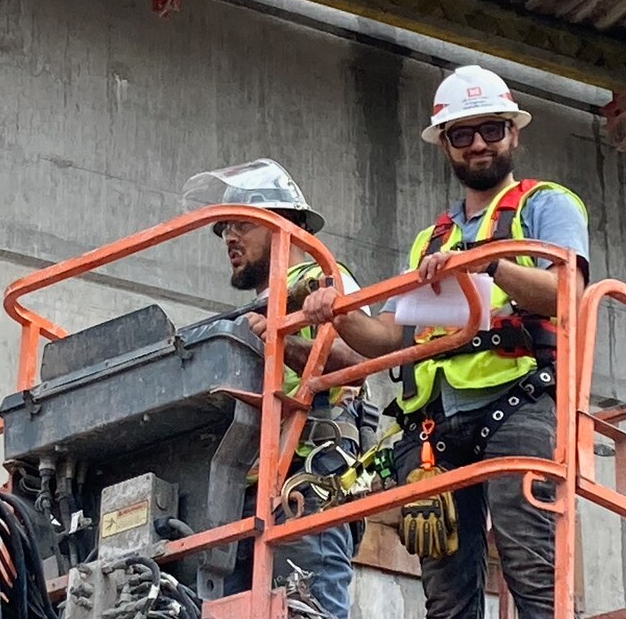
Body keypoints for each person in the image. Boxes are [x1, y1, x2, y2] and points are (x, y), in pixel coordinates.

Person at [301, 66, 590, 619]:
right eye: (463, 134)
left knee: (532, 568)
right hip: (433, 430)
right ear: (446, 146)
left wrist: (486, 264)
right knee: (447, 599)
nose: (478, 144)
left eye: (491, 130)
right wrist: (334, 311)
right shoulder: (430, 241)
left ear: (514, 133)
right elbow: (388, 340)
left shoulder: (546, 205)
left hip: (518, 402)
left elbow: (566, 296)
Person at [182, 159, 372, 619]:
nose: (229, 236)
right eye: (223, 227)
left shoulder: (321, 279)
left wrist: (281, 344)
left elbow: (360, 362)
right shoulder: (254, 309)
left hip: (306, 483)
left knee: (305, 610)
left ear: (287, 224)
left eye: (243, 224)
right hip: (242, 494)